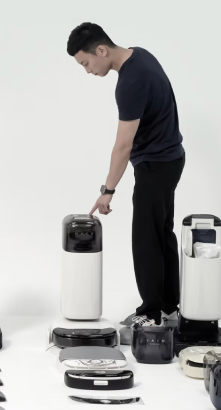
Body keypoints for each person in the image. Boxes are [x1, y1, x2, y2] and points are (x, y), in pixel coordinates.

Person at [67, 22, 185, 328]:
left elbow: (123, 145)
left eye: (86, 63)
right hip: (171, 159)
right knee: (161, 234)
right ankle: (170, 309)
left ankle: (151, 315)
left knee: (146, 240)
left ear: (101, 50)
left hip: (155, 165)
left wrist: (107, 191)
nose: (88, 71)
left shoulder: (130, 82)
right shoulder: (140, 55)